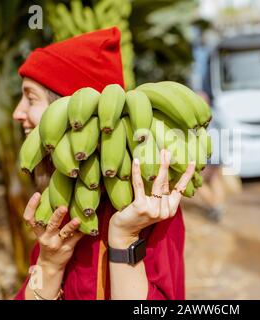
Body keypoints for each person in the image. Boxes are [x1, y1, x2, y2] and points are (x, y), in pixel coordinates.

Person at [12, 27, 195, 300]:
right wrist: (49, 264)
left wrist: (124, 238)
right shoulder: (56, 204)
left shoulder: (151, 208)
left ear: (73, 113)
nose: (18, 112)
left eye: (30, 98)